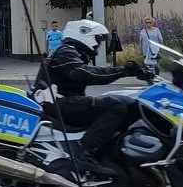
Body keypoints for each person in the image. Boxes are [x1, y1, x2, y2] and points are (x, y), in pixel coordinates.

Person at [33, 20, 147, 179]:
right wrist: (123, 71)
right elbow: (84, 73)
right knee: (117, 105)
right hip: (58, 104)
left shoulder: (70, 52)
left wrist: (143, 73)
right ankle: (85, 154)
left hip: (62, 102)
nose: (98, 45)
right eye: (97, 40)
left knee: (123, 101)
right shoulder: (65, 52)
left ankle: (110, 154)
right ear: (84, 35)